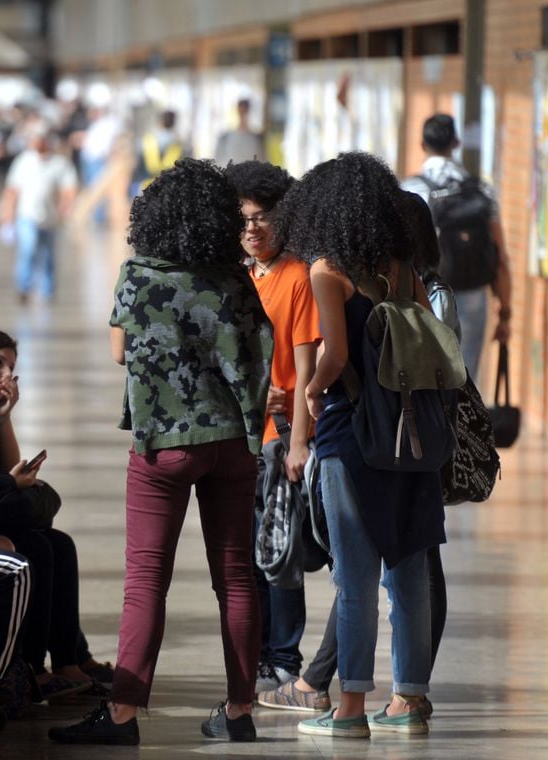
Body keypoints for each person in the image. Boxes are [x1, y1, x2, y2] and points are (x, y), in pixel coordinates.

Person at [49, 158, 273, 746]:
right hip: (231, 442)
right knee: (236, 576)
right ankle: (240, 709)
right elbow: (257, 355)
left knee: (147, 579)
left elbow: (120, 353)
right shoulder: (234, 278)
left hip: (163, 447)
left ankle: (122, 715)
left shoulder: (138, 275)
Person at [259, 191, 454, 717]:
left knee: (356, 577)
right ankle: (409, 698)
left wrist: (312, 390)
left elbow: (337, 353)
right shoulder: (401, 268)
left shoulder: (327, 269)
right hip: (410, 431)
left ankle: (348, 709)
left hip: (354, 433)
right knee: (411, 569)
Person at [0, 327, 104, 700]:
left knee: (59, 544)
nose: (6, 375)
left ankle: (65, 662)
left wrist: (4, 417)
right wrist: (1, 487)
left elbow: (10, 468)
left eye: (12, 366)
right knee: (37, 546)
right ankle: (31, 667)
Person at [223, 160, 319, 694]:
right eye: (244, 220)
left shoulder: (298, 277)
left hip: (278, 437)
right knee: (246, 555)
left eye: (263, 217)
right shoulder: (237, 277)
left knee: (280, 554)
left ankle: (283, 655)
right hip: (238, 437)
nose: (253, 228)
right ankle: (257, 654)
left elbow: (306, 371)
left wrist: (299, 441)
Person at [401, 113, 512, 379]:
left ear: (422, 145)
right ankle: (458, 420)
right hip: (472, 291)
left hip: (424, 293)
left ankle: (433, 420)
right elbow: (500, 257)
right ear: (456, 142)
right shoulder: (481, 191)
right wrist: (505, 313)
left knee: (425, 374)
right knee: (466, 371)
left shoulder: (410, 189)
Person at [0, 126, 78, 304]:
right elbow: (12, 190)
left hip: (50, 219)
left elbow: (69, 188)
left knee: (48, 255)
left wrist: (65, 206)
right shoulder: (23, 162)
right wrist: (7, 215)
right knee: (28, 250)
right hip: (27, 216)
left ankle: (48, 290)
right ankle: (23, 287)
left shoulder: (59, 163)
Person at [130, 110, 185, 195]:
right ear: (174, 123)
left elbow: (136, 165)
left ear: (160, 122)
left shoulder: (147, 141)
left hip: (144, 186)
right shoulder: (178, 145)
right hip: (168, 188)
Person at [215, 98, 265, 167]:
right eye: (242, 110)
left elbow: (262, 161)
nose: (243, 114)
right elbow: (219, 161)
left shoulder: (256, 139)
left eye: (245, 111)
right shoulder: (225, 137)